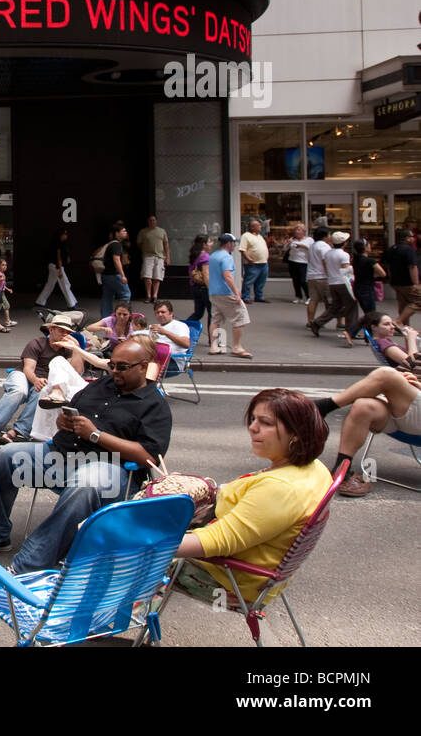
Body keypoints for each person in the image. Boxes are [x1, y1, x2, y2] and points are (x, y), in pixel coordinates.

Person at [0, 340, 172, 570]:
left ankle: (29, 564)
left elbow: (149, 456)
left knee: (86, 483)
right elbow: (71, 411)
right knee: (7, 456)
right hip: (62, 456)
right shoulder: (101, 385)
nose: (115, 371)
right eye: (112, 365)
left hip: (113, 469)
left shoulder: (154, 405)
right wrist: (62, 422)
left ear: (143, 367)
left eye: (122, 367)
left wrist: (95, 435)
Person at [169, 389, 331, 603]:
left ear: (296, 433)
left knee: (123, 560)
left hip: (228, 579)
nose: (253, 428)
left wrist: (144, 545)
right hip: (257, 572)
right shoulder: (315, 468)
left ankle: (122, 619)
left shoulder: (280, 488)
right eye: (253, 419)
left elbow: (217, 541)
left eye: (266, 423)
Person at [313, 365, 421, 496]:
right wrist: (409, 378)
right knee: (363, 406)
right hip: (406, 408)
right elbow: (407, 364)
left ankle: (319, 408)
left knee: (386, 375)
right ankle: (342, 470)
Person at [0, 317, 79, 448]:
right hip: (23, 374)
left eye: (67, 332)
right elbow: (28, 368)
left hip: (44, 381)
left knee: (43, 395)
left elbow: (74, 373)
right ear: (51, 329)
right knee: (19, 391)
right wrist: (35, 380)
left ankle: (17, 431)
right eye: (62, 331)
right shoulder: (37, 343)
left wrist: (76, 348)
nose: (65, 335)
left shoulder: (66, 349)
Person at [208, 233, 251, 358]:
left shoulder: (214, 256)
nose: (234, 246)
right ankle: (237, 347)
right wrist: (236, 291)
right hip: (226, 292)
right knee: (240, 316)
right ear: (229, 243)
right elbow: (227, 275)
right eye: (234, 243)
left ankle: (214, 346)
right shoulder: (227, 257)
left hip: (214, 292)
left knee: (216, 319)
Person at [310, 231, 358, 342]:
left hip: (332, 282)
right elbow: (347, 271)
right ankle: (351, 330)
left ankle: (318, 322)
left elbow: (325, 266)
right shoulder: (344, 255)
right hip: (343, 282)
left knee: (335, 306)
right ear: (344, 243)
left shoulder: (328, 253)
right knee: (351, 306)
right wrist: (352, 282)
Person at [347, 239, 387, 341]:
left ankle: (366, 336)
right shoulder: (370, 261)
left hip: (358, 287)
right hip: (367, 288)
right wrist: (372, 275)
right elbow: (383, 273)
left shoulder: (355, 260)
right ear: (365, 247)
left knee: (369, 314)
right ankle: (353, 332)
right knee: (371, 315)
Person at [383, 229, 421, 327]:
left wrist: (391, 279)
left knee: (403, 303)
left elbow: (388, 266)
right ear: (407, 238)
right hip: (407, 282)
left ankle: (404, 327)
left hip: (395, 282)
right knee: (418, 301)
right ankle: (399, 321)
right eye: (412, 237)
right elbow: (412, 266)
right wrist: (416, 283)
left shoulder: (391, 249)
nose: (413, 238)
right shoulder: (409, 250)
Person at [36, 227, 78, 311]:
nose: (66, 236)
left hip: (53, 266)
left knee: (50, 284)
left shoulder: (56, 243)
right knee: (65, 284)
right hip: (56, 266)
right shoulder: (58, 243)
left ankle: (40, 301)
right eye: (64, 234)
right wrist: (60, 270)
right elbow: (58, 257)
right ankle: (71, 304)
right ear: (61, 235)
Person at [99, 221, 131, 318]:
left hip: (106, 275)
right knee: (126, 294)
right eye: (123, 231)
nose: (126, 233)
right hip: (114, 275)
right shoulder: (117, 245)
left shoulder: (111, 244)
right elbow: (116, 260)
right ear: (117, 233)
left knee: (107, 296)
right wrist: (123, 275)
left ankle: (106, 318)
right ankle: (122, 315)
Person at [136, 216, 170, 303]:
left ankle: (155, 296)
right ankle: (148, 296)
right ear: (148, 221)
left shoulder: (162, 231)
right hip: (148, 256)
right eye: (150, 220)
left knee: (157, 277)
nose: (152, 222)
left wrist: (167, 257)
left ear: (156, 221)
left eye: (154, 220)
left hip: (159, 257)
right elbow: (139, 244)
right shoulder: (143, 232)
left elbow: (166, 245)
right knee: (147, 277)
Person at [305, 226, 332, 326]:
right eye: (329, 234)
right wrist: (329, 274)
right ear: (324, 236)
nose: (330, 236)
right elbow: (326, 261)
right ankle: (322, 321)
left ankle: (310, 321)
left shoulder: (312, 245)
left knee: (313, 299)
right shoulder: (324, 246)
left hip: (312, 276)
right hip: (322, 276)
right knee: (329, 300)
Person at [238, 219, 270, 302]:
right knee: (249, 281)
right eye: (258, 225)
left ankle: (259, 296)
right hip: (253, 263)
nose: (260, 227)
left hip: (263, 263)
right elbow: (242, 249)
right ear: (252, 227)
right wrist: (248, 258)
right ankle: (245, 297)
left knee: (261, 281)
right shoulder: (246, 236)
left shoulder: (260, 236)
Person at [186, 234, 211, 329]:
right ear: (204, 244)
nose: (211, 244)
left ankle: (182, 328)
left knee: (198, 313)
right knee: (212, 313)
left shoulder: (195, 254)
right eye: (209, 242)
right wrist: (210, 289)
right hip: (204, 288)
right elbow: (206, 275)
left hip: (194, 286)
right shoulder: (205, 256)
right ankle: (213, 338)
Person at [286, 223, 313, 304]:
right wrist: (288, 243)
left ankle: (309, 296)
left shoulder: (309, 240)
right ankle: (298, 296)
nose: (297, 232)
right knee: (295, 280)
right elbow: (285, 248)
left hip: (303, 262)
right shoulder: (292, 239)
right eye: (296, 230)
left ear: (303, 231)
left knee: (303, 280)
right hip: (292, 261)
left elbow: (309, 248)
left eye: (299, 230)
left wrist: (298, 244)